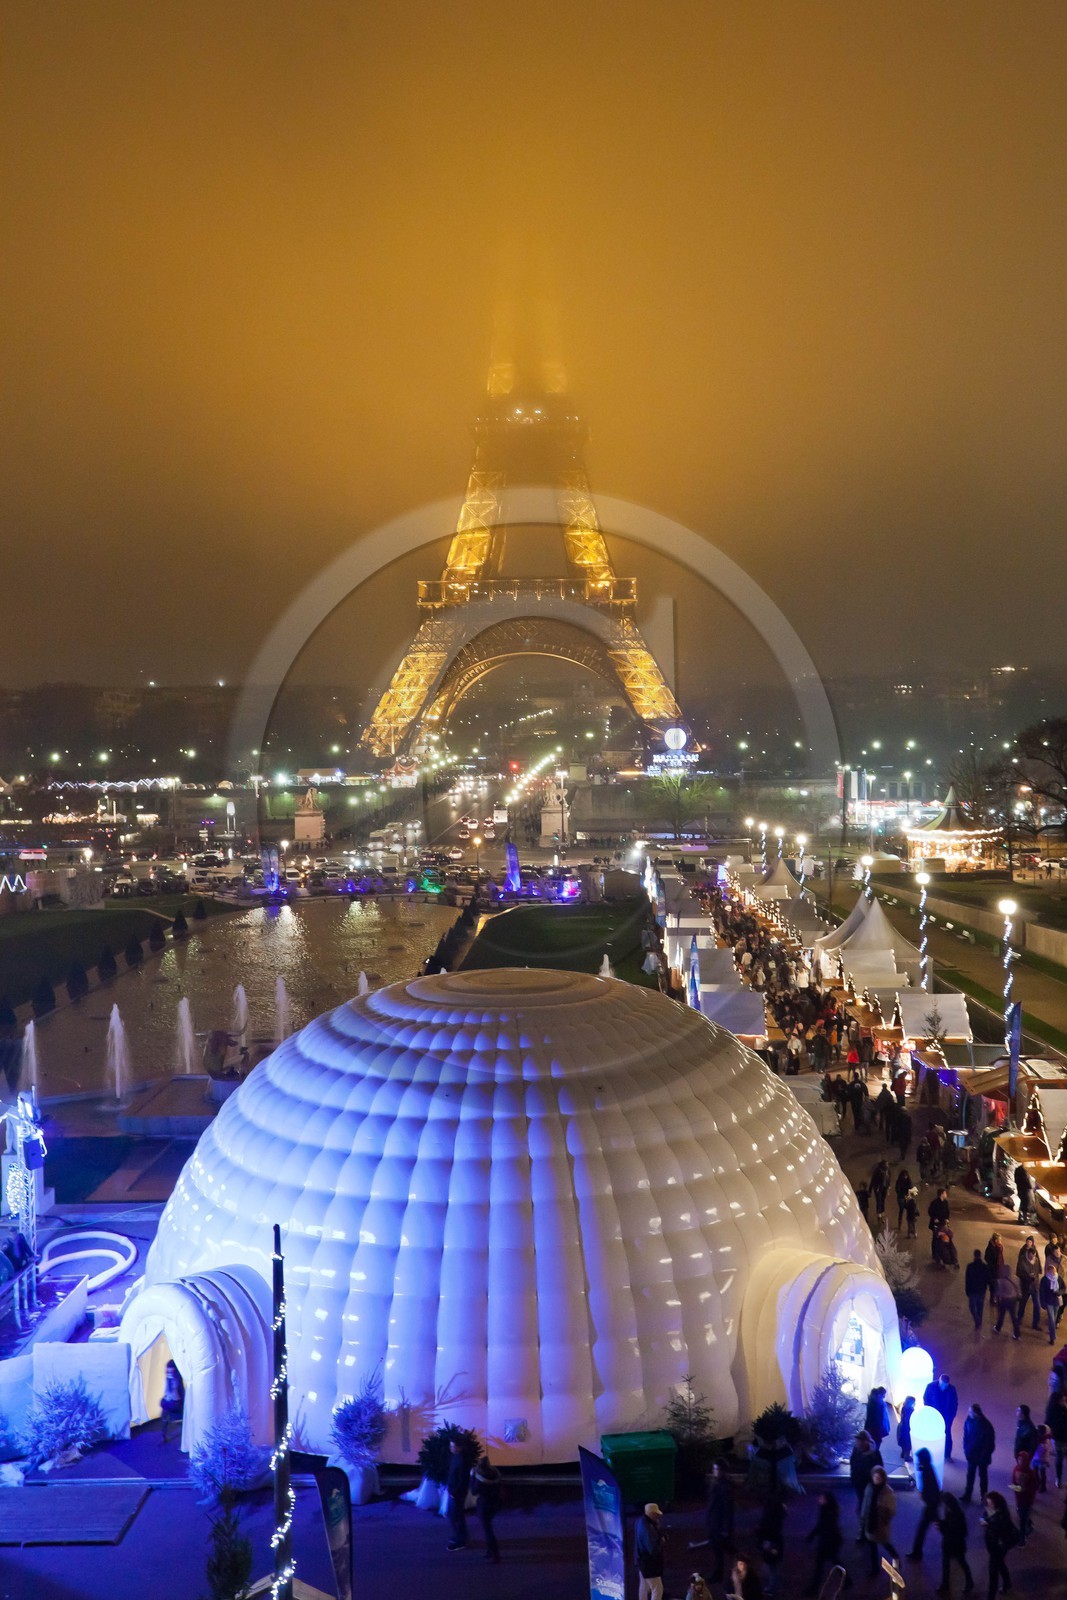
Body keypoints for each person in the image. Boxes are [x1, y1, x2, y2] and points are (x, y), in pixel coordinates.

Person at [689, 1459, 734, 1581]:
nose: (715, 1472)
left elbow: (727, 1508)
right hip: (715, 1522)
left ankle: (719, 1574)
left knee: (720, 1548)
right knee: (719, 1547)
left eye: (717, 1469)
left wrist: (725, 1528)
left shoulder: (723, 1486)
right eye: (714, 1469)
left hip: (718, 1523)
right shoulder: (717, 1484)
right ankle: (720, 1572)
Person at [803, 1490, 844, 1597]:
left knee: (819, 1566)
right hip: (831, 1541)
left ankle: (814, 1589)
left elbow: (822, 1525)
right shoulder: (830, 1510)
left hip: (828, 1542)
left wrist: (811, 1536)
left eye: (821, 1498)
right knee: (834, 1560)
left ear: (826, 1500)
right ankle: (847, 1580)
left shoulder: (827, 1511)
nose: (819, 1500)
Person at [859, 1465, 898, 1576]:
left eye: (878, 1478)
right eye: (874, 1477)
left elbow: (891, 1510)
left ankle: (896, 1557)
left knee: (884, 1543)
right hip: (870, 1522)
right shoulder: (869, 1487)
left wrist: (883, 1516)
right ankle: (875, 1568)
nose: (876, 1480)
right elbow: (865, 1503)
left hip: (879, 1524)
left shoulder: (887, 1492)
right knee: (872, 1546)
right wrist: (863, 1517)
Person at [978, 1492, 1018, 1600]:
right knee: (1000, 1564)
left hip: (999, 1547)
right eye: (988, 1503)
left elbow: (999, 1529)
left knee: (993, 1571)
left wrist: (988, 1522)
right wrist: (984, 1519)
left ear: (996, 1503)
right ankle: (1007, 1583)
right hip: (994, 1545)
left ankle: (991, 1596)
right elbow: (984, 1516)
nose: (989, 1506)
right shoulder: (993, 1511)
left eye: (990, 1503)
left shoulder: (1001, 1516)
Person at [935, 1491, 974, 1596]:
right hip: (954, 1544)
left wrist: (941, 1527)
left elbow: (951, 1531)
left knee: (957, 1562)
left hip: (954, 1544)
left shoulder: (955, 1514)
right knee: (955, 1562)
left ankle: (948, 1584)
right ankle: (947, 1584)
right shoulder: (954, 1511)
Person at [907, 1447, 942, 1559]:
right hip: (933, 1504)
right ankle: (954, 1544)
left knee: (921, 1530)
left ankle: (917, 1553)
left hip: (930, 1505)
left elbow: (929, 1489)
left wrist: (924, 1497)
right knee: (939, 1525)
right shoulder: (928, 1468)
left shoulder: (926, 1471)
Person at [962, 1404, 996, 1504]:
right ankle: (968, 1494)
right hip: (971, 1454)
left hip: (982, 1457)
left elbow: (990, 1443)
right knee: (970, 1475)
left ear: (976, 1413)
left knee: (983, 1477)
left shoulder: (986, 1425)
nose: (968, 1413)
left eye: (970, 1412)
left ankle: (984, 1497)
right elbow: (965, 1436)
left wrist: (983, 1455)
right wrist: (966, 1449)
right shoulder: (968, 1420)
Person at [473, 1453, 501, 1562]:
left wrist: (471, 1477)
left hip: (484, 1505)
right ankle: (490, 1551)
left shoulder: (479, 1478)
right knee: (488, 1527)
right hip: (494, 1503)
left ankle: (495, 1553)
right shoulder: (495, 1474)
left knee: (488, 1530)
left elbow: (474, 1491)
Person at [924, 1374, 960, 1462]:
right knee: (934, 1435)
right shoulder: (930, 1386)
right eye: (942, 1385)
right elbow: (926, 1400)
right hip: (934, 1416)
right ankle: (933, 1453)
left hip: (946, 1417)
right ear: (939, 1381)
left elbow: (955, 1403)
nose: (943, 1387)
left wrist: (952, 1416)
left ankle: (947, 1455)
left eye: (945, 1386)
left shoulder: (952, 1389)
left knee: (947, 1435)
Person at [755, 1492, 785, 1596]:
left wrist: (760, 1533)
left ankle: (773, 1587)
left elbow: (767, 1529)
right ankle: (773, 1585)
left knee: (772, 1565)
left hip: (770, 1541)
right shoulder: (777, 1515)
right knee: (773, 1564)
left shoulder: (769, 1516)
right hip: (775, 1542)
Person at [635, 1502, 666, 1600]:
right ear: (652, 1514)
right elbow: (653, 1548)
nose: (658, 1517)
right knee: (657, 1588)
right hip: (649, 1563)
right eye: (656, 1514)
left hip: (642, 1560)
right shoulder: (648, 1527)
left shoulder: (640, 1522)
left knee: (644, 1587)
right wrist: (662, 1540)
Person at [446, 1438, 472, 1551]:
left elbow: (463, 1479)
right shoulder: (456, 1457)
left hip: (457, 1493)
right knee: (454, 1515)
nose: (451, 1448)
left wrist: (455, 1492)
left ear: (459, 1447)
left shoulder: (462, 1460)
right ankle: (459, 1536)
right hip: (454, 1491)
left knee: (457, 1516)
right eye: (450, 1446)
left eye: (453, 1446)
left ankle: (461, 1541)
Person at [849, 1431, 883, 1512]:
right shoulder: (856, 1449)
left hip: (869, 1482)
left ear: (866, 1441)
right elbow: (853, 1462)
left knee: (869, 1502)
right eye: (858, 1440)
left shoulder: (874, 1453)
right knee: (862, 1499)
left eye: (860, 1440)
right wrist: (853, 1477)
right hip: (859, 1481)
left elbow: (879, 1468)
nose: (858, 1443)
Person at [1009, 1450, 1036, 1543]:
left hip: (1027, 1499)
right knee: (1021, 1513)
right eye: (1019, 1459)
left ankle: (1022, 1539)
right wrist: (1014, 1487)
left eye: (1023, 1460)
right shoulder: (1016, 1469)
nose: (1021, 1461)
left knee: (1022, 1518)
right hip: (1019, 1497)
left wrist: (1025, 1489)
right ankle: (1029, 1524)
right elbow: (1013, 1480)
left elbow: (1034, 1486)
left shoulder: (1030, 1473)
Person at [1017, 1237, 1042, 1331]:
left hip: (1035, 1286)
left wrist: (1035, 1278)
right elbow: (1019, 1273)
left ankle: (1035, 1323)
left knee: (1037, 1305)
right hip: (1026, 1286)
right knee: (1022, 1304)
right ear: (1028, 1253)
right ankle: (1019, 1319)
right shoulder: (1022, 1260)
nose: (1033, 1257)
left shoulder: (1036, 1260)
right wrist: (1027, 1277)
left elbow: (1038, 1271)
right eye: (1032, 1256)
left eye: (1034, 1256)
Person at [992, 1264, 1022, 1339]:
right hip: (1013, 1299)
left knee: (1001, 1315)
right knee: (1013, 1317)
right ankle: (1017, 1334)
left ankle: (998, 1328)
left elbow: (999, 1292)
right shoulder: (1016, 1278)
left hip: (1004, 1300)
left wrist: (996, 1299)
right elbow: (1018, 1289)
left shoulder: (1001, 1280)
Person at [159, 1359, 185, 1445]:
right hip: (168, 1401)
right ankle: (164, 1434)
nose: (169, 1373)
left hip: (175, 1402)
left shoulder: (177, 1380)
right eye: (168, 1371)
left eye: (171, 1371)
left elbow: (180, 1392)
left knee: (166, 1410)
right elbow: (166, 1392)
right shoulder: (167, 1379)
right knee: (164, 1411)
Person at [1045, 1388, 1067, 1487]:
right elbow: (1048, 1424)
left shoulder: (1063, 1409)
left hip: (1063, 1437)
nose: (1065, 1402)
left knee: (1060, 1457)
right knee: (1059, 1458)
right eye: (1063, 1400)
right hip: (1059, 1439)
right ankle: (1058, 1478)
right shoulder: (1054, 1413)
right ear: (1057, 1402)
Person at [965, 1250, 991, 1332]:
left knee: (972, 1307)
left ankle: (977, 1322)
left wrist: (967, 1290)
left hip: (973, 1290)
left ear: (974, 1256)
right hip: (982, 1290)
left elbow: (967, 1279)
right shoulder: (985, 1267)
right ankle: (979, 1322)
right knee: (980, 1307)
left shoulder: (970, 1266)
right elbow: (988, 1279)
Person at [1040, 1262, 1063, 1345]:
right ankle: (1052, 1337)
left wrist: (1059, 1292)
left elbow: (1063, 1287)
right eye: (1051, 1271)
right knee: (1051, 1319)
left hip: (1056, 1302)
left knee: (1054, 1317)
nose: (1053, 1273)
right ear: (1048, 1271)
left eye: (1054, 1271)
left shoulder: (1058, 1278)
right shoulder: (1045, 1280)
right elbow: (1042, 1292)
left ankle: (1051, 1330)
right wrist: (1042, 1302)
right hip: (1049, 1302)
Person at [929, 1190, 951, 1258]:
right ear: (941, 1194)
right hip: (936, 1224)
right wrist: (934, 1218)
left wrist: (947, 1218)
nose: (946, 1194)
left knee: (942, 1238)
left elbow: (947, 1211)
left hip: (943, 1223)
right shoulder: (935, 1202)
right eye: (945, 1193)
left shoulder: (945, 1202)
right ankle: (934, 1254)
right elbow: (930, 1211)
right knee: (935, 1238)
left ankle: (940, 1253)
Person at [984, 1234, 1005, 1305]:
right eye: (999, 1240)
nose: (1001, 1241)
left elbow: (1001, 1258)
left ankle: (998, 1299)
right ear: (996, 1240)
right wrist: (992, 1265)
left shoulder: (999, 1247)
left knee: (998, 1284)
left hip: (999, 1268)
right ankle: (992, 1299)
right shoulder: (990, 1248)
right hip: (993, 1270)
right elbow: (986, 1257)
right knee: (993, 1285)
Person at [1032, 1424, 1052, 1492]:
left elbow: (1044, 1449)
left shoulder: (1045, 1441)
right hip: (1036, 1458)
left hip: (1042, 1460)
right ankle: (1037, 1483)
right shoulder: (1037, 1439)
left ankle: (1043, 1486)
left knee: (1042, 1473)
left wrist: (1038, 1444)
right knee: (1036, 1472)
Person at [897, 1395, 916, 1464]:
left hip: (902, 1427)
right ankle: (906, 1456)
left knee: (903, 1442)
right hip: (907, 1429)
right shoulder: (910, 1410)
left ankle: (903, 1453)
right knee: (907, 1443)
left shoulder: (903, 1408)